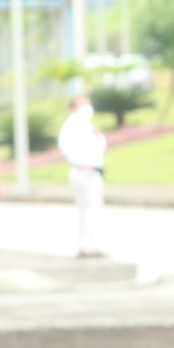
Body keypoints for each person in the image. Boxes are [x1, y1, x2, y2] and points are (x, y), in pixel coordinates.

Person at [57, 96, 108, 257]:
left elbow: (100, 144)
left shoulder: (86, 124)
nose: (87, 106)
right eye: (83, 104)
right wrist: (81, 163)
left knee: (92, 209)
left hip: (92, 170)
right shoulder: (72, 123)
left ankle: (90, 244)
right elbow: (65, 146)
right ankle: (87, 245)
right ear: (74, 107)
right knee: (88, 209)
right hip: (84, 172)